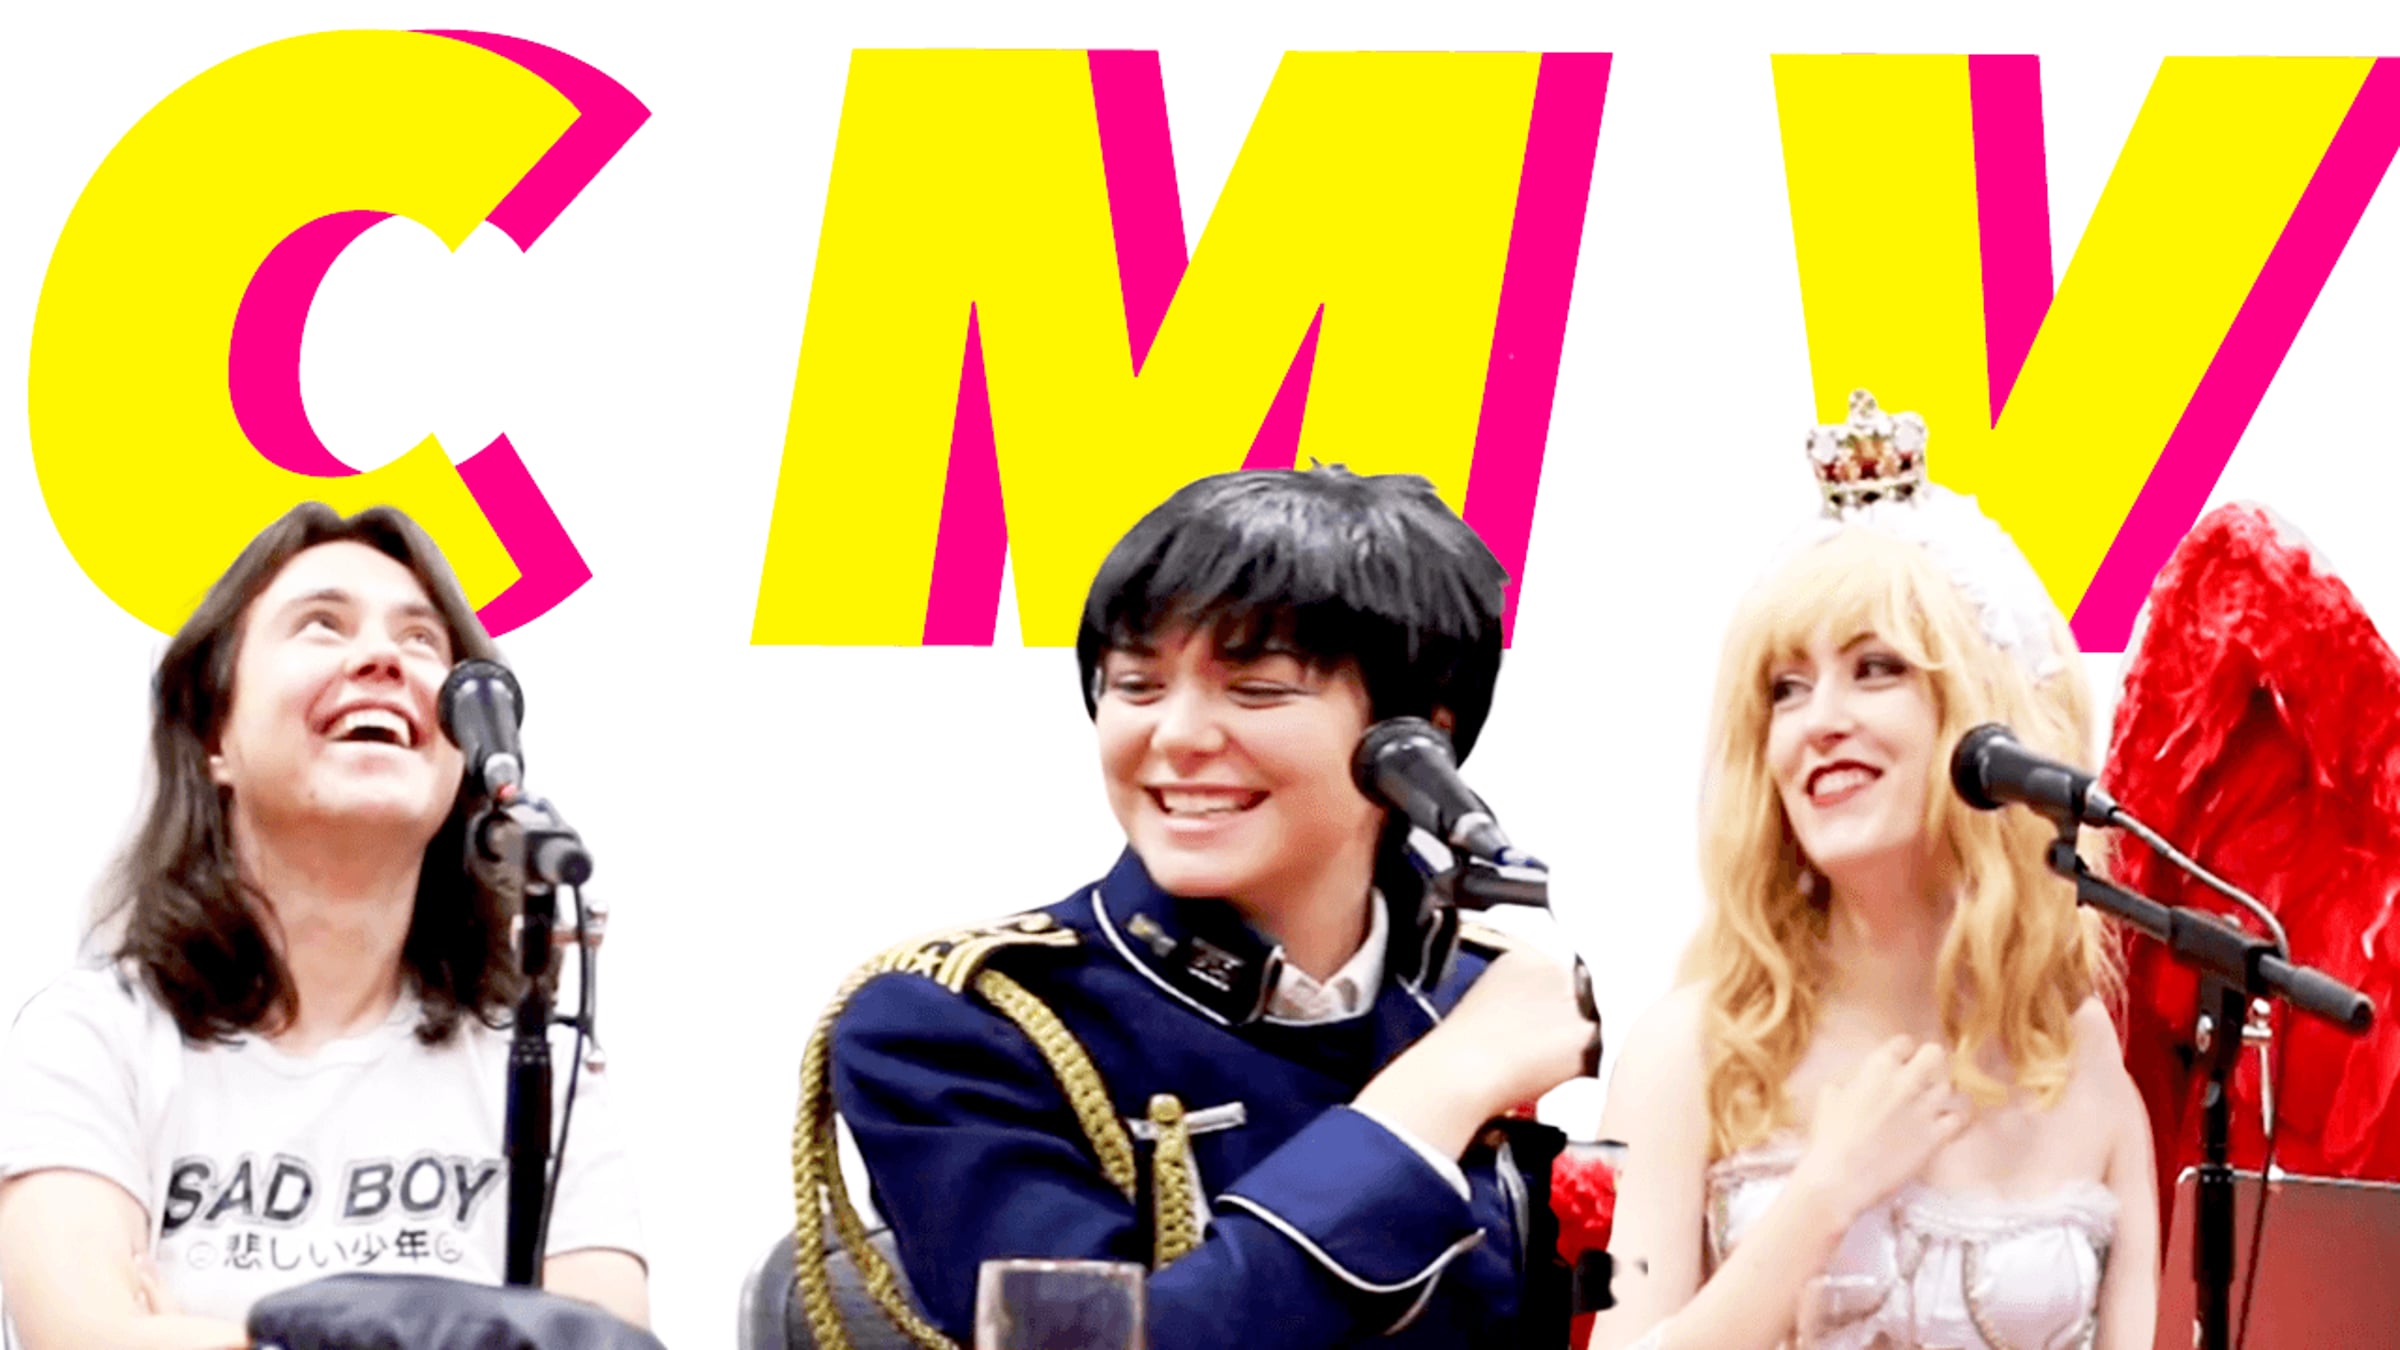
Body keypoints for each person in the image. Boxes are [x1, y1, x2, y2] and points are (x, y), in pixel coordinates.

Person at [800, 466, 1601, 1350]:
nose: (1176, 735)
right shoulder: (958, 1024)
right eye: (1136, 686)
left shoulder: (1519, 996)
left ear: (1417, 741)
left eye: (1257, 690)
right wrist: (1444, 1087)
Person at [1586, 392, 2159, 1350]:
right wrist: (1822, 1198)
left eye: (1877, 668)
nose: (1820, 722)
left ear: (1986, 718)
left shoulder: (2077, 1054)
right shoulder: (1696, 1048)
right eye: (1787, 688)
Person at [0, 504, 647, 1350]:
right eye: (322, 625)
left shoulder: (538, 1061)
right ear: (214, 735)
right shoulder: (95, 1037)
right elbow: (85, 1338)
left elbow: (603, 1342)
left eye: (421, 640)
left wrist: (215, 1336)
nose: (383, 658)